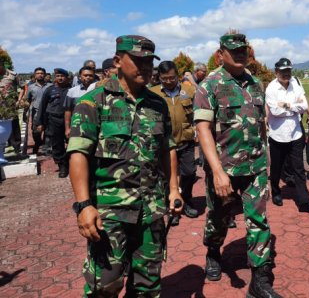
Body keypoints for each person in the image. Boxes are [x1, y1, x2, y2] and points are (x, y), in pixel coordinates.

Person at [66, 35, 182, 297]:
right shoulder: (93, 102)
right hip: (110, 214)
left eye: (149, 62)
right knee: (104, 286)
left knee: (148, 284)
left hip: (151, 210)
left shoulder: (157, 103)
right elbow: (77, 154)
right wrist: (83, 206)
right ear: (118, 61)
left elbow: (167, 148)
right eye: (138, 61)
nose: (145, 67)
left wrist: (174, 189)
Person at [194, 32, 281, 297]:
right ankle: (212, 252)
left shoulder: (255, 83)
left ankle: (260, 280)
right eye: (234, 51)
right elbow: (203, 129)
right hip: (225, 171)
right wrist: (218, 172)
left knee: (259, 220)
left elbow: (261, 127)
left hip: (254, 168)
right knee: (219, 219)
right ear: (221, 54)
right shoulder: (210, 85)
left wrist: (265, 164)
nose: (241, 54)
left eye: (244, 50)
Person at [266, 57, 309, 212]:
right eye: (283, 71)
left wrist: (287, 105)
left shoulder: (295, 84)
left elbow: (303, 106)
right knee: (276, 168)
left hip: (296, 134)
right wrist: (294, 108)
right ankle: (276, 191)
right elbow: (275, 112)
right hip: (278, 135)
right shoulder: (271, 88)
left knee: (298, 168)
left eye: (288, 71)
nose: (286, 74)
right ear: (276, 72)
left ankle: (305, 202)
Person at [151, 61, 199, 219]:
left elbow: (198, 113)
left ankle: (186, 199)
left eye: (172, 78)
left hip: (186, 140)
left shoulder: (189, 90)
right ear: (159, 77)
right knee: (167, 175)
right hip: (164, 144)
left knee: (189, 173)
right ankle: (172, 206)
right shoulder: (153, 93)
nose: (168, 81)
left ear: (177, 76)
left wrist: (197, 129)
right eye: (164, 78)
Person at [35, 68, 71, 177]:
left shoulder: (72, 90)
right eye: (58, 76)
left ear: (67, 77)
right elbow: (42, 107)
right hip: (54, 120)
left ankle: (71, 162)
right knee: (57, 145)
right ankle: (62, 166)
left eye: (62, 76)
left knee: (72, 143)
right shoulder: (49, 90)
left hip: (70, 120)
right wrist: (40, 123)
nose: (60, 78)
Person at [0, 56, 24, 155]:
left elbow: (23, 87)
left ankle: (16, 148)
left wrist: (19, 100)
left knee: (13, 125)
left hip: (9, 105)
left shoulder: (12, 75)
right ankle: (2, 147)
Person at [64, 66, 95, 139]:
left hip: (94, 126)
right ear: (80, 77)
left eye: (90, 75)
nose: (88, 77)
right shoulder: (72, 92)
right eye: (85, 75)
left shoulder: (99, 91)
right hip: (76, 126)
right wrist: (67, 128)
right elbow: (68, 111)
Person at [26, 67, 52, 154]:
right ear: (35, 75)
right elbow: (28, 100)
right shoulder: (31, 87)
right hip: (36, 113)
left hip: (48, 113)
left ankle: (46, 147)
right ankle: (37, 143)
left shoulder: (50, 86)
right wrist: (25, 112)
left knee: (48, 131)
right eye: (38, 73)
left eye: (41, 73)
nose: (40, 75)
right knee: (35, 131)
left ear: (44, 75)